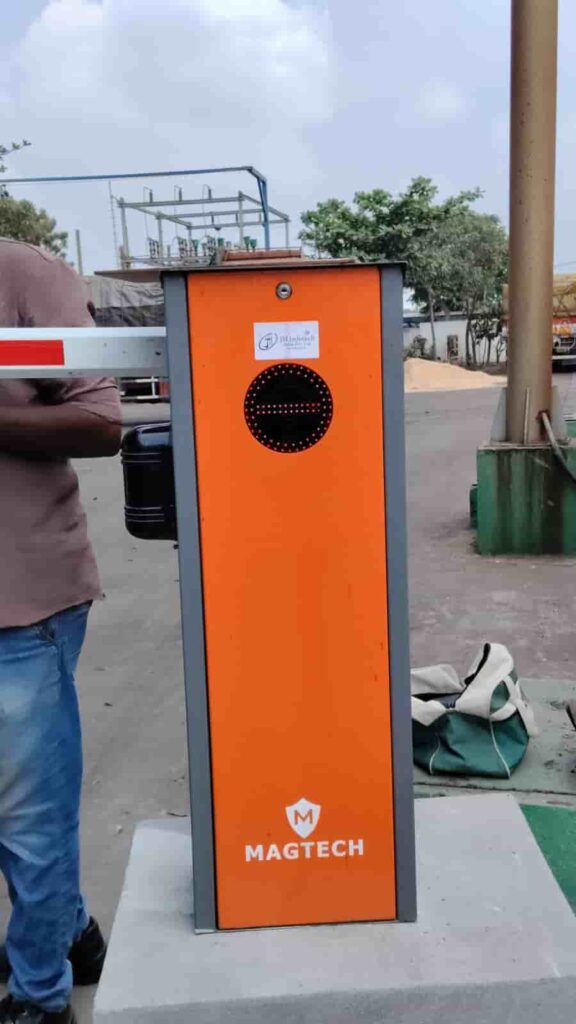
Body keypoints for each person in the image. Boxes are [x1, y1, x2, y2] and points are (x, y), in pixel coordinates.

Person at [0, 239, 123, 1024]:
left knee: (28, 819)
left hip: (19, 602)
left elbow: (100, 419)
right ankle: (70, 931)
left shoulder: (22, 275)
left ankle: (40, 997)